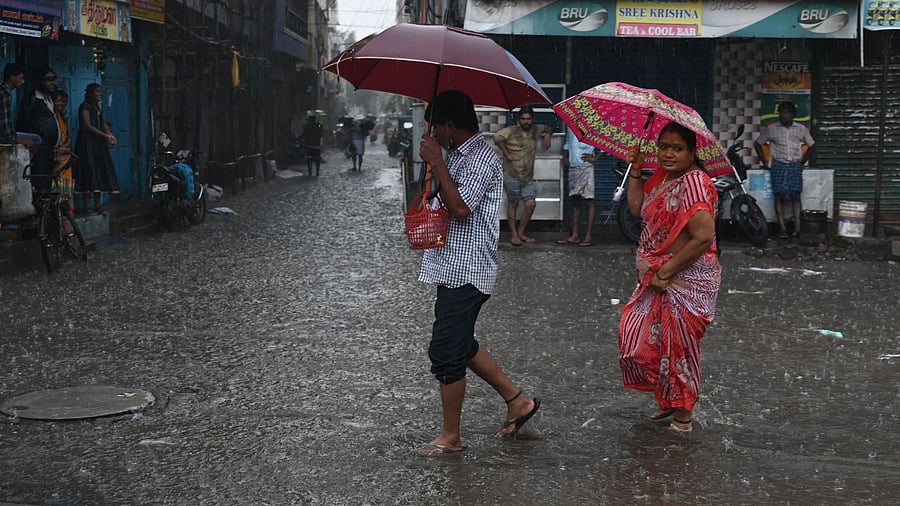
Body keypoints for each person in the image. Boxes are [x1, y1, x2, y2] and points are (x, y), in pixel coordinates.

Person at [416, 90, 540, 456]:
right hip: (451, 264)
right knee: (461, 342)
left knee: (446, 351)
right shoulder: (457, 155)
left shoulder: (482, 158)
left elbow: (460, 208)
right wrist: (435, 167)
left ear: (450, 125)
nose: (433, 132)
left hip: (469, 268)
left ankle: (450, 436)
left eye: (436, 125)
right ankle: (517, 401)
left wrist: (438, 163)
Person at [619, 122, 721, 434]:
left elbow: (703, 237)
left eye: (677, 148)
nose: (668, 153)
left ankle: (683, 415)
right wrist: (636, 170)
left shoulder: (697, 184)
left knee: (679, 348)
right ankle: (668, 399)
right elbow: (637, 208)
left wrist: (666, 270)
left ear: (692, 153)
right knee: (638, 341)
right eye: (663, 146)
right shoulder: (663, 178)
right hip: (657, 278)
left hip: (687, 279)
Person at [754, 101, 815, 239]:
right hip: (778, 165)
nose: (784, 115)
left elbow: (811, 145)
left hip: (795, 165)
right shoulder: (771, 129)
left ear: (793, 115)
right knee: (779, 196)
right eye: (782, 112)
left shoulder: (801, 129)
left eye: (787, 113)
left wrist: (802, 163)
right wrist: (764, 161)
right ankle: (782, 228)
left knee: (795, 195)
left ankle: (797, 228)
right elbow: (758, 143)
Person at [494, 105, 552, 246]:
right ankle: (514, 235)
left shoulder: (535, 129)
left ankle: (521, 232)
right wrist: (507, 154)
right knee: (513, 203)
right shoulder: (512, 130)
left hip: (527, 175)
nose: (526, 121)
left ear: (532, 119)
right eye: (523, 119)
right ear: (519, 120)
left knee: (530, 204)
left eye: (529, 119)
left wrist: (548, 136)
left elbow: (549, 128)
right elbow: (497, 137)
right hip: (511, 173)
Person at [74, 83, 119, 214]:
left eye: (101, 91)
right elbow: (86, 126)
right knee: (88, 171)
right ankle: (88, 207)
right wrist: (104, 135)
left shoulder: (97, 107)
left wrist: (109, 134)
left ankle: (98, 206)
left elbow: (103, 123)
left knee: (99, 171)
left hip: (97, 144)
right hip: (86, 144)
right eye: (97, 91)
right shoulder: (85, 107)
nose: (100, 94)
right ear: (90, 93)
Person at [557, 128, 603, 246]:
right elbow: (567, 142)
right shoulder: (571, 125)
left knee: (589, 201)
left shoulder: (592, 125)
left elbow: (606, 143)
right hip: (573, 167)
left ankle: (588, 237)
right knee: (575, 201)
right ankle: (575, 235)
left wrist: (596, 158)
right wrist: (565, 156)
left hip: (587, 167)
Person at [15, 67, 59, 189]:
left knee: (48, 181)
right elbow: (24, 123)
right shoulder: (32, 99)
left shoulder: (49, 98)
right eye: (48, 79)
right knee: (39, 181)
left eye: (53, 79)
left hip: (49, 149)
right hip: (38, 149)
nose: (52, 83)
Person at [0, 63, 42, 150]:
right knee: (36, 140)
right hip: (4, 137)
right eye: (21, 78)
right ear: (12, 77)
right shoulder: (5, 93)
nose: (23, 82)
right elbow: (5, 123)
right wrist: (17, 139)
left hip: (6, 134)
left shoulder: (3, 90)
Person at [50, 90, 76, 206]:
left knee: (67, 188)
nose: (62, 104)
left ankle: (69, 213)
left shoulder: (61, 117)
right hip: (56, 156)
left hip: (65, 157)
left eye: (64, 102)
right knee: (57, 187)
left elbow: (67, 137)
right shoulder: (50, 117)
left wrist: (66, 146)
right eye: (59, 101)